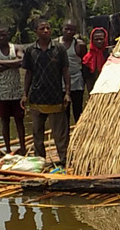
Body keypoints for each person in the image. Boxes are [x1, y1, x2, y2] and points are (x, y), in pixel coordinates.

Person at [21, 19, 72, 166]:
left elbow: (65, 71)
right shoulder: (31, 50)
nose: (45, 31)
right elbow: (28, 73)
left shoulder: (59, 49)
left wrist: (67, 92)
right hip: (36, 96)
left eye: (48, 28)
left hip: (56, 96)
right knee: (37, 132)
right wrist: (25, 94)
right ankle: (40, 159)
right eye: (42, 28)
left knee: (59, 133)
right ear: (36, 31)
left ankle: (64, 159)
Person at [0, 25, 26, 155]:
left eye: (4, 35)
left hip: (17, 91)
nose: (1, 38)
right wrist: (11, 64)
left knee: (20, 120)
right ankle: (8, 149)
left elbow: (22, 62)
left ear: (8, 35)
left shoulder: (16, 48)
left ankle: (23, 147)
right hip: (0, 92)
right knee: (4, 121)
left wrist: (2, 62)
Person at [59, 21, 87, 123]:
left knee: (78, 109)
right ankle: (65, 135)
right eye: (66, 29)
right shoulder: (56, 44)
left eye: (72, 30)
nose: (69, 32)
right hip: (61, 81)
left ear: (75, 31)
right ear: (62, 29)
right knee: (63, 110)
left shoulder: (79, 45)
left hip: (76, 79)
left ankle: (78, 133)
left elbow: (84, 62)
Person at [82, 27, 110, 92]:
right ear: (92, 40)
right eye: (96, 39)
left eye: (101, 39)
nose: (99, 41)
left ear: (105, 39)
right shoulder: (87, 58)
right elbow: (87, 78)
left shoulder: (110, 55)